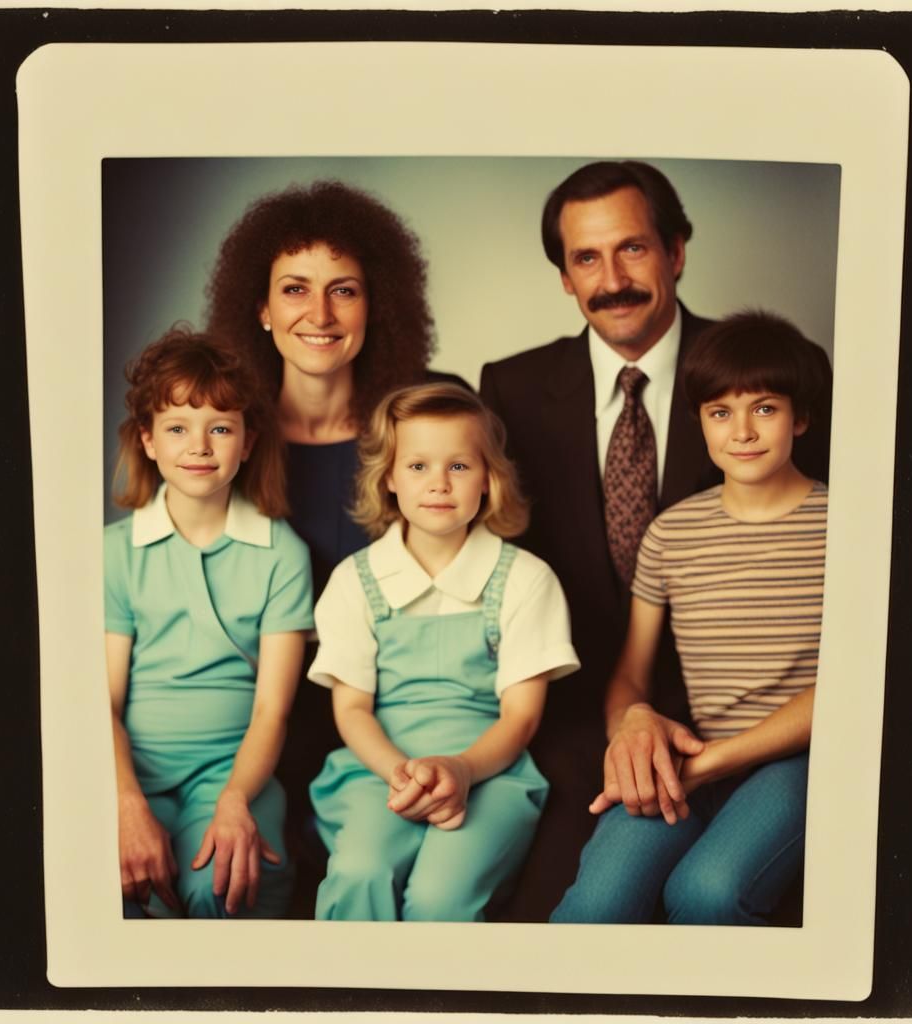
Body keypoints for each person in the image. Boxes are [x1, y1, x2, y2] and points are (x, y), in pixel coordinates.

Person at [479, 160, 832, 920]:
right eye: (586, 258)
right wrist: (626, 720)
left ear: (676, 251)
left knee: (706, 894)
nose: (612, 278)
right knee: (568, 914)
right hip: (586, 715)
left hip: (769, 726)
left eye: (633, 248)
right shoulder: (510, 389)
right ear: (566, 278)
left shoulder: (760, 369)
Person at [205, 181, 465, 913]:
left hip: (406, 726)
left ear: (375, 303)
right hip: (256, 732)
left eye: (343, 291)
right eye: (294, 289)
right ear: (259, 307)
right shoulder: (217, 440)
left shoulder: (432, 421)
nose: (319, 316)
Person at [551, 310, 827, 924]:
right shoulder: (672, 532)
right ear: (699, 422)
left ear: (800, 417)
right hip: (696, 753)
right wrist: (635, 724)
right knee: (596, 903)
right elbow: (630, 674)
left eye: (765, 408)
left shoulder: (843, 524)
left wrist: (710, 764)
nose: (743, 431)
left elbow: (857, 684)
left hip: (801, 759)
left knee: (705, 891)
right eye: (721, 412)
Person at [306, 384, 579, 920]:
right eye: (417, 466)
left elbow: (520, 718)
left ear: (488, 478)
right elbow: (352, 708)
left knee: (439, 896)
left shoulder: (525, 580)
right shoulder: (354, 582)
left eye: (459, 466)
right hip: (376, 768)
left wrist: (460, 769)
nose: (438, 484)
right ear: (388, 476)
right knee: (361, 871)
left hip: (490, 771)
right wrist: (400, 773)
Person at [104, 327, 313, 918]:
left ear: (247, 443)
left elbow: (273, 709)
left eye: (220, 427)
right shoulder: (115, 553)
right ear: (147, 440)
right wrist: (125, 805)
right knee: (136, 895)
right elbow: (104, 703)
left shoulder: (282, 554)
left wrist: (235, 801)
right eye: (177, 428)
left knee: (219, 889)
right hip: (131, 774)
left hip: (235, 771)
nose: (199, 445)